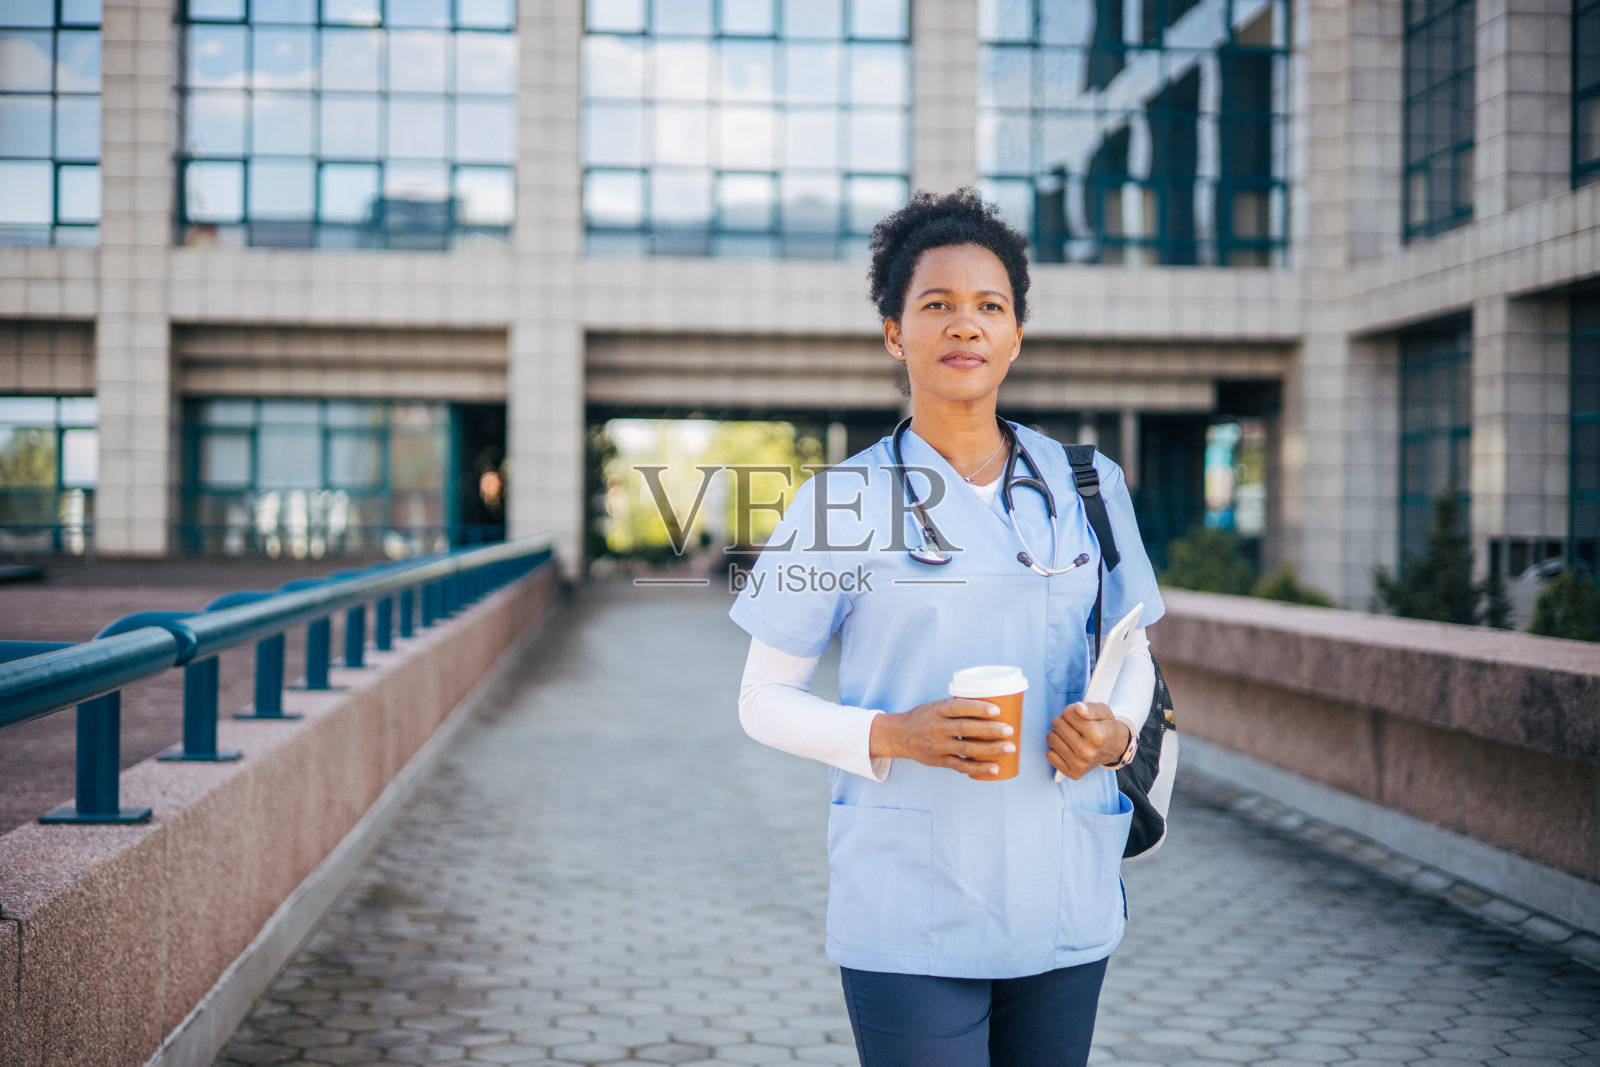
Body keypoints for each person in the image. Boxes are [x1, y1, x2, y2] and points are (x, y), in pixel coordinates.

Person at [727, 188, 1165, 1066]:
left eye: (989, 306)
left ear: (1015, 333)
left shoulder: (1086, 484)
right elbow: (762, 701)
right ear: (895, 333)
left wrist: (1115, 732)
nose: (965, 325)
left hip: (1063, 884)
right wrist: (894, 732)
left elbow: (1133, 653)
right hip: (911, 900)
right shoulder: (838, 503)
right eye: (937, 305)